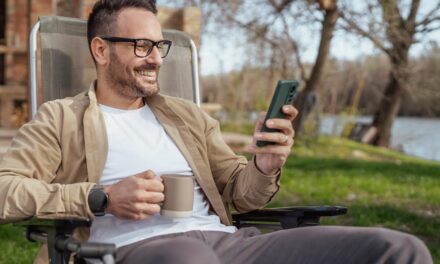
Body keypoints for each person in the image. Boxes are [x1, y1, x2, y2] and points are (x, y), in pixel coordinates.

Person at [0, 0, 433, 263]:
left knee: (397, 249)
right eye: (141, 46)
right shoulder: (60, 118)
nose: (155, 58)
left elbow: (240, 193)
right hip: (136, 251)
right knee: (187, 257)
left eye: (159, 46)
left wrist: (264, 165)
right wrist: (102, 197)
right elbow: (6, 190)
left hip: (229, 245)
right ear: (100, 50)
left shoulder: (187, 116)